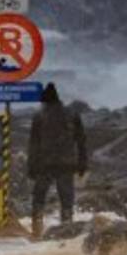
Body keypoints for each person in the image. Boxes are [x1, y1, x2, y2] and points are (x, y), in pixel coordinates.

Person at [27, 82, 88, 239]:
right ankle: (67, 232)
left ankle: (36, 231)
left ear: (45, 101)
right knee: (66, 200)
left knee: (39, 198)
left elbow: (33, 144)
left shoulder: (39, 116)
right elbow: (81, 141)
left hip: (44, 163)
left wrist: (31, 167)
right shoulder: (72, 114)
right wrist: (82, 163)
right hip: (66, 163)